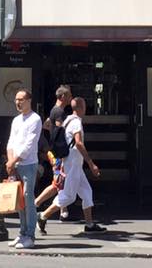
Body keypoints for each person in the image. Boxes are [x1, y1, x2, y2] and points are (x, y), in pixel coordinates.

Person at [38, 97, 106, 234]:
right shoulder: (76, 123)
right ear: (81, 107)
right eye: (85, 106)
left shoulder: (67, 120)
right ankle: (43, 216)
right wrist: (91, 163)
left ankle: (89, 225)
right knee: (69, 196)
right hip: (72, 163)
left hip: (72, 162)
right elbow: (79, 143)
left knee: (87, 192)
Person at [6, 88, 42, 249]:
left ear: (29, 101)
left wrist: (13, 161)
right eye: (16, 99)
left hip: (28, 164)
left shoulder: (35, 119)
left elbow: (29, 144)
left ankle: (30, 235)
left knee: (28, 198)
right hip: (16, 164)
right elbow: (11, 141)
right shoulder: (16, 120)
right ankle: (22, 233)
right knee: (19, 200)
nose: (18, 102)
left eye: (21, 99)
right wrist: (10, 161)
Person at [35, 86, 73, 218]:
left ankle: (63, 209)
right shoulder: (59, 113)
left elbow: (46, 124)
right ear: (62, 97)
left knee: (61, 182)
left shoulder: (54, 111)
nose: (71, 98)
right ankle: (36, 204)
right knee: (57, 183)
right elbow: (60, 132)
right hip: (58, 153)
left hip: (55, 152)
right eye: (69, 96)